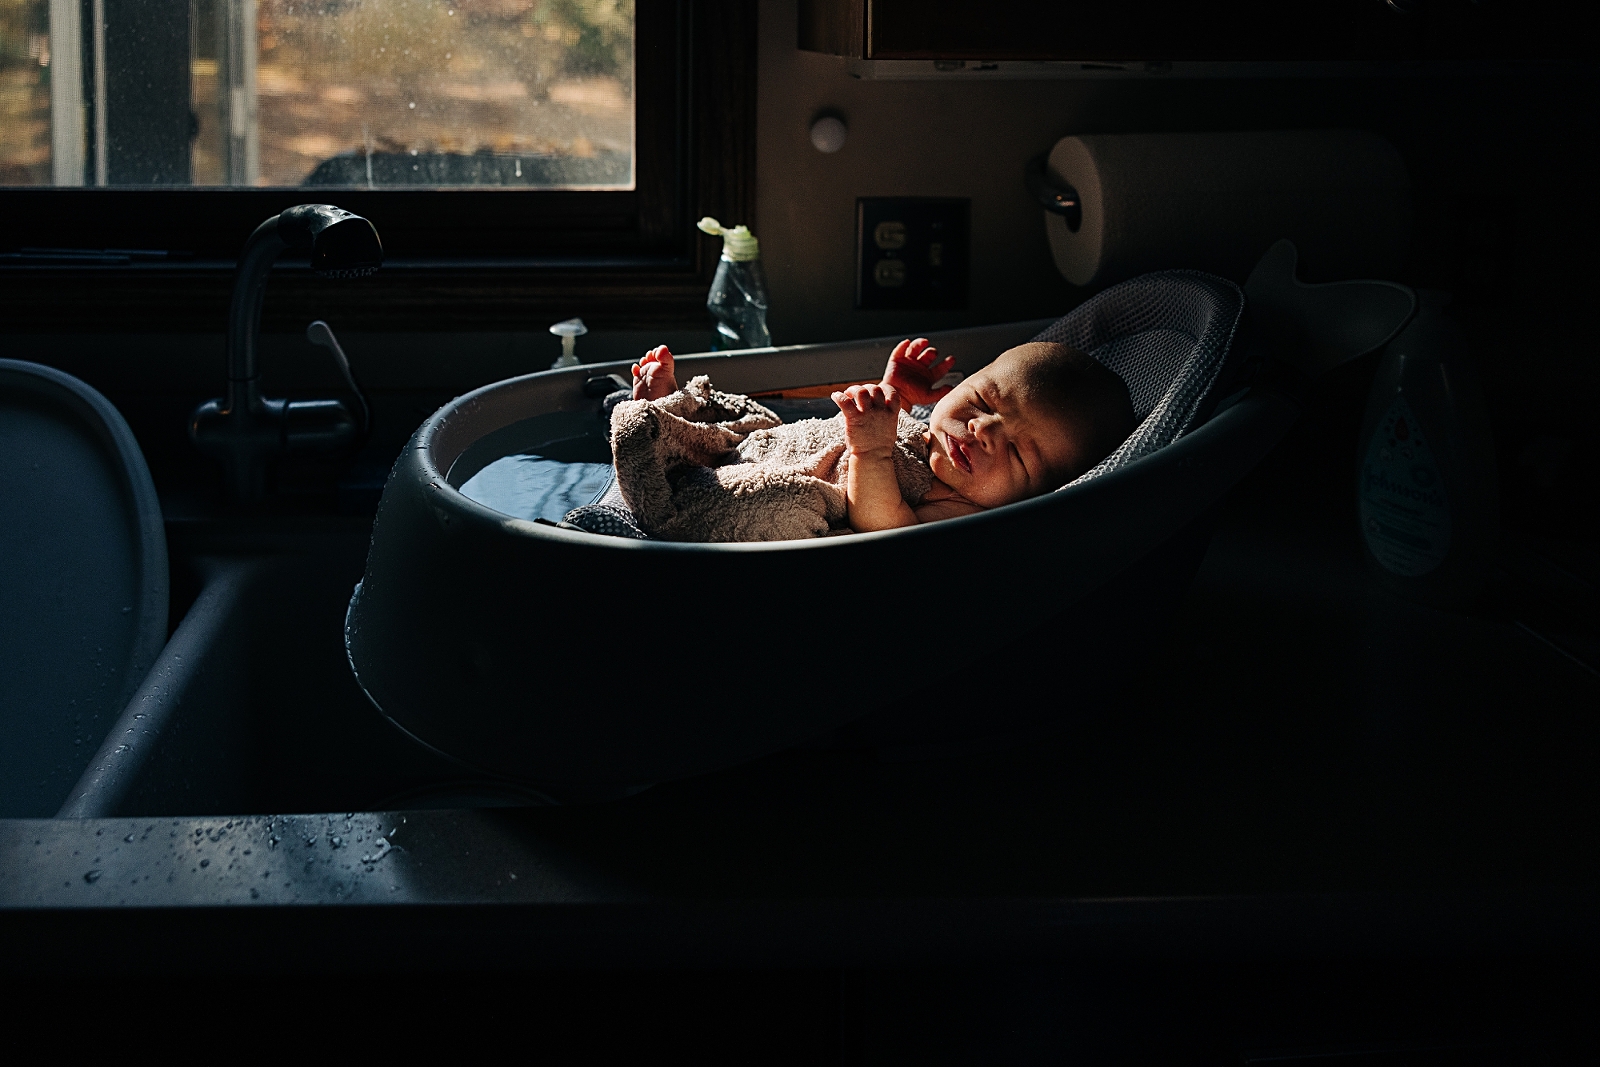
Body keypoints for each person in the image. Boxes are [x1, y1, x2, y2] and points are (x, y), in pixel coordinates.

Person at [629, 336, 1135, 533]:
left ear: (1037, 496)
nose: (982, 430)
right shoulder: (929, 435)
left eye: (1020, 455)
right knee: (751, 433)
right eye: (981, 403)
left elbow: (882, 527)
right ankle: (676, 427)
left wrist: (869, 450)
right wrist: (894, 394)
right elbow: (875, 431)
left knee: (747, 492)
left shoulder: (965, 511)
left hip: (791, 494)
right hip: (776, 450)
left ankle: (663, 449)